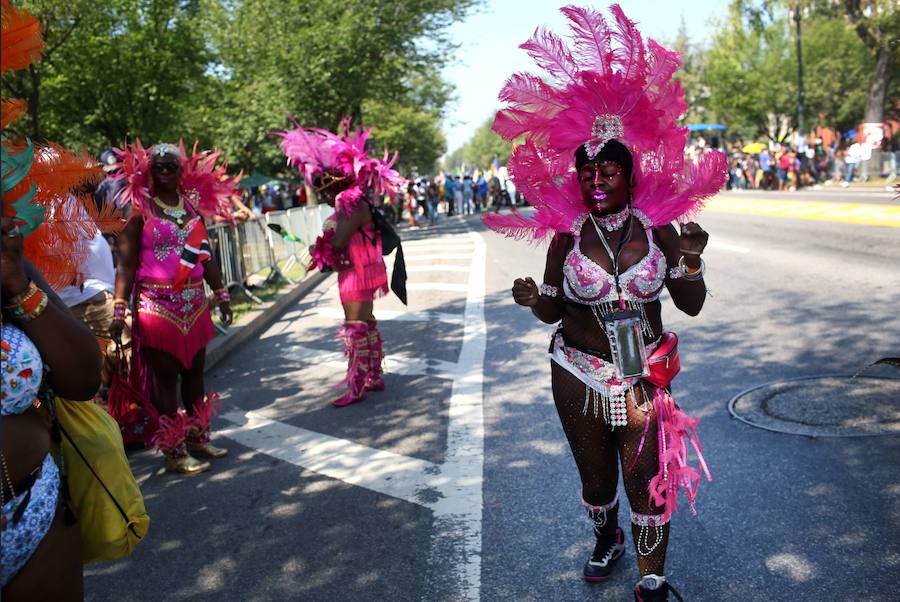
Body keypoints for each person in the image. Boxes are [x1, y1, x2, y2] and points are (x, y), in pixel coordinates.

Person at [486, 6, 724, 600]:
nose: (596, 181)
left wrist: (691, 259)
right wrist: (533, 297)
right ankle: (605, 537)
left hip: (643, 376)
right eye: (587, 171)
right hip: (576, 371)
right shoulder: (567, 235)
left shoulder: (658, 228)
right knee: (596, 479)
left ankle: (651, 579)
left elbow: (689, 304)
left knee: (646, 476)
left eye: (607, 172)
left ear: (629, 175)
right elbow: (551, 305)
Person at [109, 141, 237, 474]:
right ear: (149, 171)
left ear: (182, 171)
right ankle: (174, 450)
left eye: (171, 167)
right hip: (156, 305)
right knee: (165, 380)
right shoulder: (139, 210)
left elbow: (204, 255)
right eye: (159, 167)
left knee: (195, 374)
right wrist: (119, 310)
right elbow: (125, 264)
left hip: (195, 303)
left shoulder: (192, 209)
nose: (165, 172)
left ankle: (197, 437)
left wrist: (221, 293)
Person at [276, 119, 405, 407]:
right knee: (367, 323)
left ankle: (356, 386)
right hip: (366, 268)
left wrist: (319, 245)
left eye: (323, 191)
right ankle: (373, 375)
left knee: (355, 326)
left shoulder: (349, 205)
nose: (322, 196)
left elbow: (337, 243)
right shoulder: (358, 202)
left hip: (355, 272)